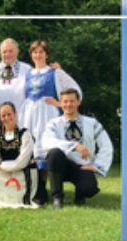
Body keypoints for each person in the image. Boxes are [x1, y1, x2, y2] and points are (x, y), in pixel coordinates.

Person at [19, 40, 80, 204]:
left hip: (47, 113)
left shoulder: (55, 72)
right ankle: (35, 189)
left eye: (41, 52)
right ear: (31, 55)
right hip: (30, 113)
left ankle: (45, 190)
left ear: (47, 54)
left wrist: (60, 103)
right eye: (35, 52)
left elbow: (76, 92)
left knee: (46, 149)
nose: (38, 55)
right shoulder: (28, 73)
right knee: (31, 149)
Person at [42, 89, 113, 209]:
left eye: (72, 101)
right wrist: (74, 146)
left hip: (82, 165)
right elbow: (47, 142)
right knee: (54, 153)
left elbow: (106, 145)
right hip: (62, 165)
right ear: (60, 103)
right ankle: (57, 198)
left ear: (78, 102)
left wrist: (96, 165)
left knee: (89, 189)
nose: (68, 105)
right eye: (65, 102)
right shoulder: (53, 124)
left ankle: (80, 195)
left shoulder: (92, 123)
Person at [0, 38, 31, 115]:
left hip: (20, 115)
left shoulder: (27, 69)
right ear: (0, 53)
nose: (7, 54)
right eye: (4, 52)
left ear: (17, 52)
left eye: (11, 51)